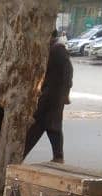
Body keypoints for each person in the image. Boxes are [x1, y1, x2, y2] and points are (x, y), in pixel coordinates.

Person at [23, 30, 73, 164]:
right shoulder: (51, 49)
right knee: (53, 127)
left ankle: (19, 156)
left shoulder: (58, 50)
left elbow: (68, 73)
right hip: (51, 95)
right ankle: (58, 157)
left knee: (36, 126)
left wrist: (65, 94)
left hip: (52, 96)